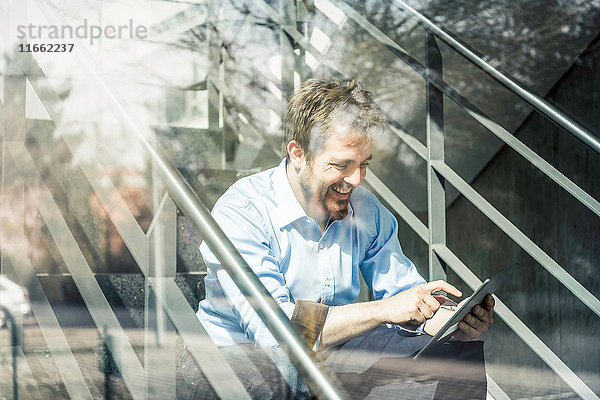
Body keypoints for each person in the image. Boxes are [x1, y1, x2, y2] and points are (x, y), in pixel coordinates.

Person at [182, 78, 495, 399]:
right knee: (284, 371)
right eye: (341, 165)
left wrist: (448, 320)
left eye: (363, 165)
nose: (356, 179)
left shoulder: (367, 210)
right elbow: (274, 331)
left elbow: (403, 296)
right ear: (298, 153)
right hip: (237, 354)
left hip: (330, 348)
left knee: (449, 358)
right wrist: (382, 310)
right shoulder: (242, 210)